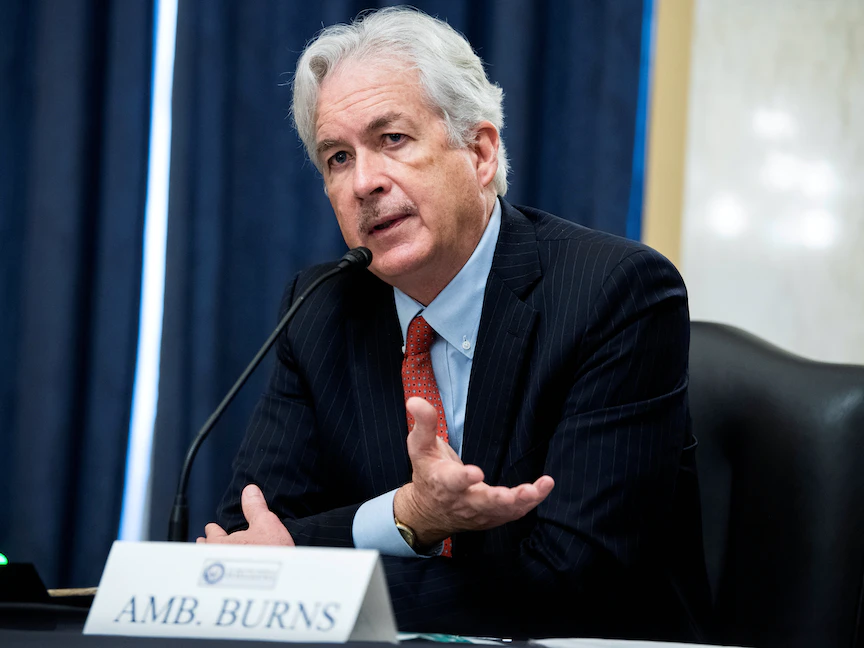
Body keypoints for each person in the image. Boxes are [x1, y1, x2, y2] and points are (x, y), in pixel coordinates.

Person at [200, 6, 710, 641]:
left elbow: (575, 578)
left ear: (479, 152)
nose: (363, 183)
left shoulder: (614, 293)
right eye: (338, 157)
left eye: (392, 139)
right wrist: (408, 515)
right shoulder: (323, 308)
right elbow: (248, 536)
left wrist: (318, 571)